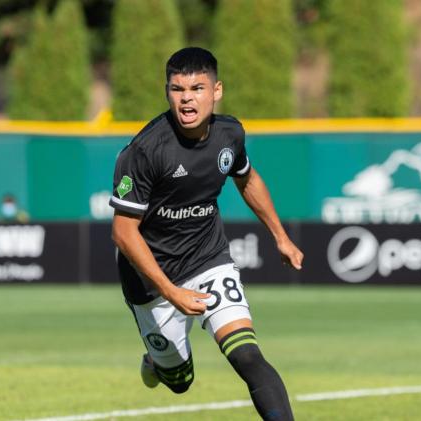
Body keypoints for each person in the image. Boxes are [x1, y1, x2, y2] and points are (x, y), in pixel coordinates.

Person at [109, 47, 303, 420]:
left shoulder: (230, 134)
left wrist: (280, 235)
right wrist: (171, 291)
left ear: (216, 91)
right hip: (152, 281)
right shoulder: (145, 151)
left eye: (197, 88)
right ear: (167, 92)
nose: (186, 99)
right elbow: (123, 233)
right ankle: (156, 360)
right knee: (180, 381)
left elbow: (247, 179)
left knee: (247, 354)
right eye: (177, 89)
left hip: (207, 258)